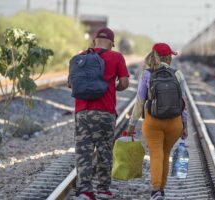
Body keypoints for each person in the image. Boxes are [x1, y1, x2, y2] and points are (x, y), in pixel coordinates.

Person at [72, 27, 129, 200]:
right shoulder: (116, 56)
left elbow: (71, 83)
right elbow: (125, 83)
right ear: (112, 43)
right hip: (106, 112)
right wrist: (113, 87)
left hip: (82, 112)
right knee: (104, 151)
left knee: (84, 152)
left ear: (94, 41)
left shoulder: (80, 56)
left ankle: (85, 191)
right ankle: (103, 189)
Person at [127, 43, 188, 200]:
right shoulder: (178, 74)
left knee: (156, 154)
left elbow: (140, 101)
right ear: (167, 57)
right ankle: (162, 188)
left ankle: (156, 190)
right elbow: (184, 103)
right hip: (174, 123)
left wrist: (132, 124)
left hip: (153, 121)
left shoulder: (147, 74)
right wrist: (185, 125)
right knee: (166, 154)